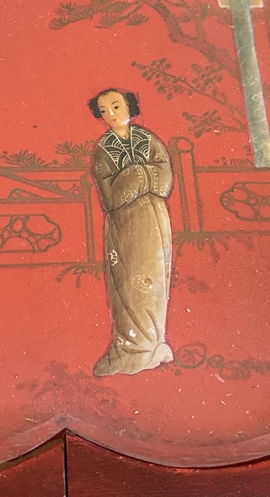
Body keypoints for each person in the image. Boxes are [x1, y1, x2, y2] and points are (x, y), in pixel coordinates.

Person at [88, 89, 174, 376]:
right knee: (127, 282)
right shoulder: (104, 148)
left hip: (153, 217)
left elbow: (164, 177)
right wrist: (137, 175)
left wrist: (139, 176)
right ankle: (131, 348)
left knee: (155, 277)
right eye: (104, 110)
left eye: (116, 105)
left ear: (129, 106)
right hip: (123, 222)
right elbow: (109, 195)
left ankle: (155, 343)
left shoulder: (148, 140)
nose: (111, 113)